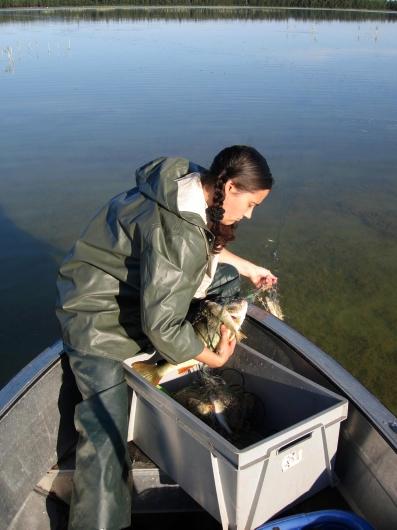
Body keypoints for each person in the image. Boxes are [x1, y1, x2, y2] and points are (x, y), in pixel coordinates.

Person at [56, 144, 277, 530]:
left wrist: (247, 267)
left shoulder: (183, 183)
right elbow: (161, 321)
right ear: (229, 189)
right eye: (252, 204)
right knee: (105, 437)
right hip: (97, 318)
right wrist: (212, 360)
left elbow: (194, 254)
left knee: (227, 283)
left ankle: (179, 350)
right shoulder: (180, 232)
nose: (251, 214)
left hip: (122, 285)